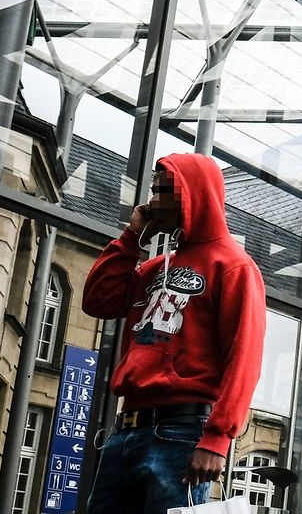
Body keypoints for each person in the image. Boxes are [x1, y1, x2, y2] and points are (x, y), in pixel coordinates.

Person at [82, 153, 268, 513]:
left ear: (195, 193)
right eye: (153, 190)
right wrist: (132, 236)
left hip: (181, 432)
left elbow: (244, 355)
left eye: (165, 191)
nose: (153, 201)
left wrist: (217, 438)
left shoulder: (233, 266)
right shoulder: (154, 267)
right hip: (125, 430)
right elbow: (98, 300)